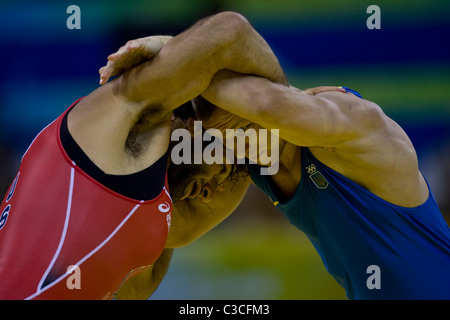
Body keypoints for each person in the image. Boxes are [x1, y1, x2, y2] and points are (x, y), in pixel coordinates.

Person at [110, 29, 450, 299]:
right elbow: (163, 245)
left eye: (239, 123)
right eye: (222, 136)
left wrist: (167, 54)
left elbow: (235, 37)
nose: (236, 141)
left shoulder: (353, 121)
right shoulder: (246, 161)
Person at [0, 12, 287, 300]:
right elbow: (230, 30)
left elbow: (263, 149)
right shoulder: (115, 122)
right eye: (224, 167)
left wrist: (271, 117)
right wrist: (283, 107)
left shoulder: (148, 240)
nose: (211, 190)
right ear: (194, 115)